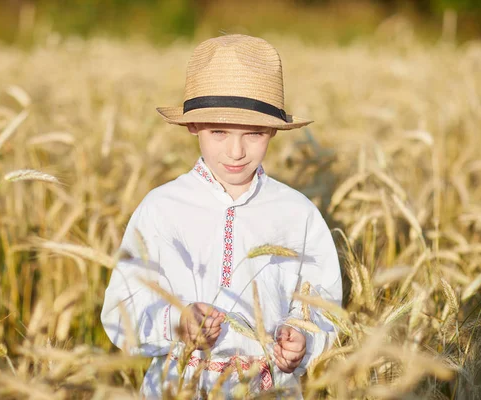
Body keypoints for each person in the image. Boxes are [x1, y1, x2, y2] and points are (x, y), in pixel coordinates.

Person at [101, 34, 342, 398]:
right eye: (219, 132)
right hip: (176, 388)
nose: (236, 151)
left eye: (254, 134)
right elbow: (121, 310)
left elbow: (322, 303)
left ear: (273, 132)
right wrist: (177, 324)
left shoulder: (297, 213)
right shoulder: (161, 207)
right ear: (192, 126)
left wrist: (303, 340)